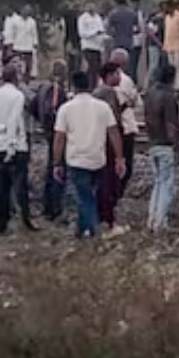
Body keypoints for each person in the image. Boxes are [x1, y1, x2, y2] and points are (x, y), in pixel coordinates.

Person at [54, 70, 125, 239]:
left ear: (73, 87)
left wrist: (57, 163)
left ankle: (93, 230)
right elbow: (114, 133)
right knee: (87, 194)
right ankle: (81, 229)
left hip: (76, 160)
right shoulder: (102, 107)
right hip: (98, 159)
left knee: (84, 196)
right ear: (90, 85)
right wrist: (119, 158)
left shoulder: (66, 109)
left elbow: (59, 138)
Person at [0, 63, 37, 234]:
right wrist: (11, 147)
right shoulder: (17, 96)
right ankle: (26, 220)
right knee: (20, 187)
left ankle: (0, 223)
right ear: (16, 77)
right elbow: (14, 122)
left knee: (0, 188)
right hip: (15, 146)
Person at [145, 63, 179, 231]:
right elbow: (171, 125)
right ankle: (160, 222)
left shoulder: (150, 93)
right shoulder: (168, 96)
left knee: (158, 182)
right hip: (165, 145)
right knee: (167, 184)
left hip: (153, 142)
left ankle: (152, 218)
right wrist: (176, 147)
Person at [33, 60, 69, 220]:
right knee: (58, 168)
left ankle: (47, 205)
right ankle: (55, 207)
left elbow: (32, 106)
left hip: (48, 132)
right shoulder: (57, 90)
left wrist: (40, 121)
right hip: (57, 133)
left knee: (50, 169)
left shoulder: (42, 88)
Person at [93, 63, 127, 230]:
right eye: (117, 74)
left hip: (98, 141)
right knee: (108, 179)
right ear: (108, 76)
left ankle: (101, 214)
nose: (119, 77)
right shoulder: (108, 92)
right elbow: (113, 121)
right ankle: (107, 216)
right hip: (108, 143)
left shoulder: (97, 93)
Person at [109, 48, 140, 196]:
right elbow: (136, 102)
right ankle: (118, 191)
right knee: (126, 163)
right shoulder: (126, 80)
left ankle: (112, 190)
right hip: (126, 126)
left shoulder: (102, 79)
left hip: (109, 127)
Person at [106, 0, 139, 79]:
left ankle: (117, 81)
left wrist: (113, 34)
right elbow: (137, 28)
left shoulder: (113, 13)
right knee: (128, 65)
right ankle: (128, 81)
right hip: (129, 42)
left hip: (116, 42)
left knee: (115, 64)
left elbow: (108, 29)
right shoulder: (132, 13)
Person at [78, 2, 107, 89]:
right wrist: (94, 33)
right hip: (88, 46)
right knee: (92, 67)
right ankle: (89, 86)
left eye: (93, 5)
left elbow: (101, 30)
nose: (91, 7)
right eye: (89, 5)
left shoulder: (98, 17)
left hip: (98, 47)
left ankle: (94, 86)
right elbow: (82, 33)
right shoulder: (82, 18)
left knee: (97, 68)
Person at [163, 0, 179, 95]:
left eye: (167, 7)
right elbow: (167, 32)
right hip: (169, 45)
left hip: (178, 45)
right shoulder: (167, 17)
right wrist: (165, 46)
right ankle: (172, 84)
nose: (165, 9)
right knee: (171, 66)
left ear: (172, 7)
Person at [8, 4, 39, 82]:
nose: (26, 12)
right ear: (21, 11)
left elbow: (34, 33)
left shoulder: (32, 21)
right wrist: (11, 44)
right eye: (25, 10)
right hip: (17, 46)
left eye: (28, 11)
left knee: (28, 66)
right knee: (17, 66)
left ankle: (27, 81)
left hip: (28, 47)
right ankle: (16, 80)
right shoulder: (15, 21)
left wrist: (35, 43)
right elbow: (12, 33)